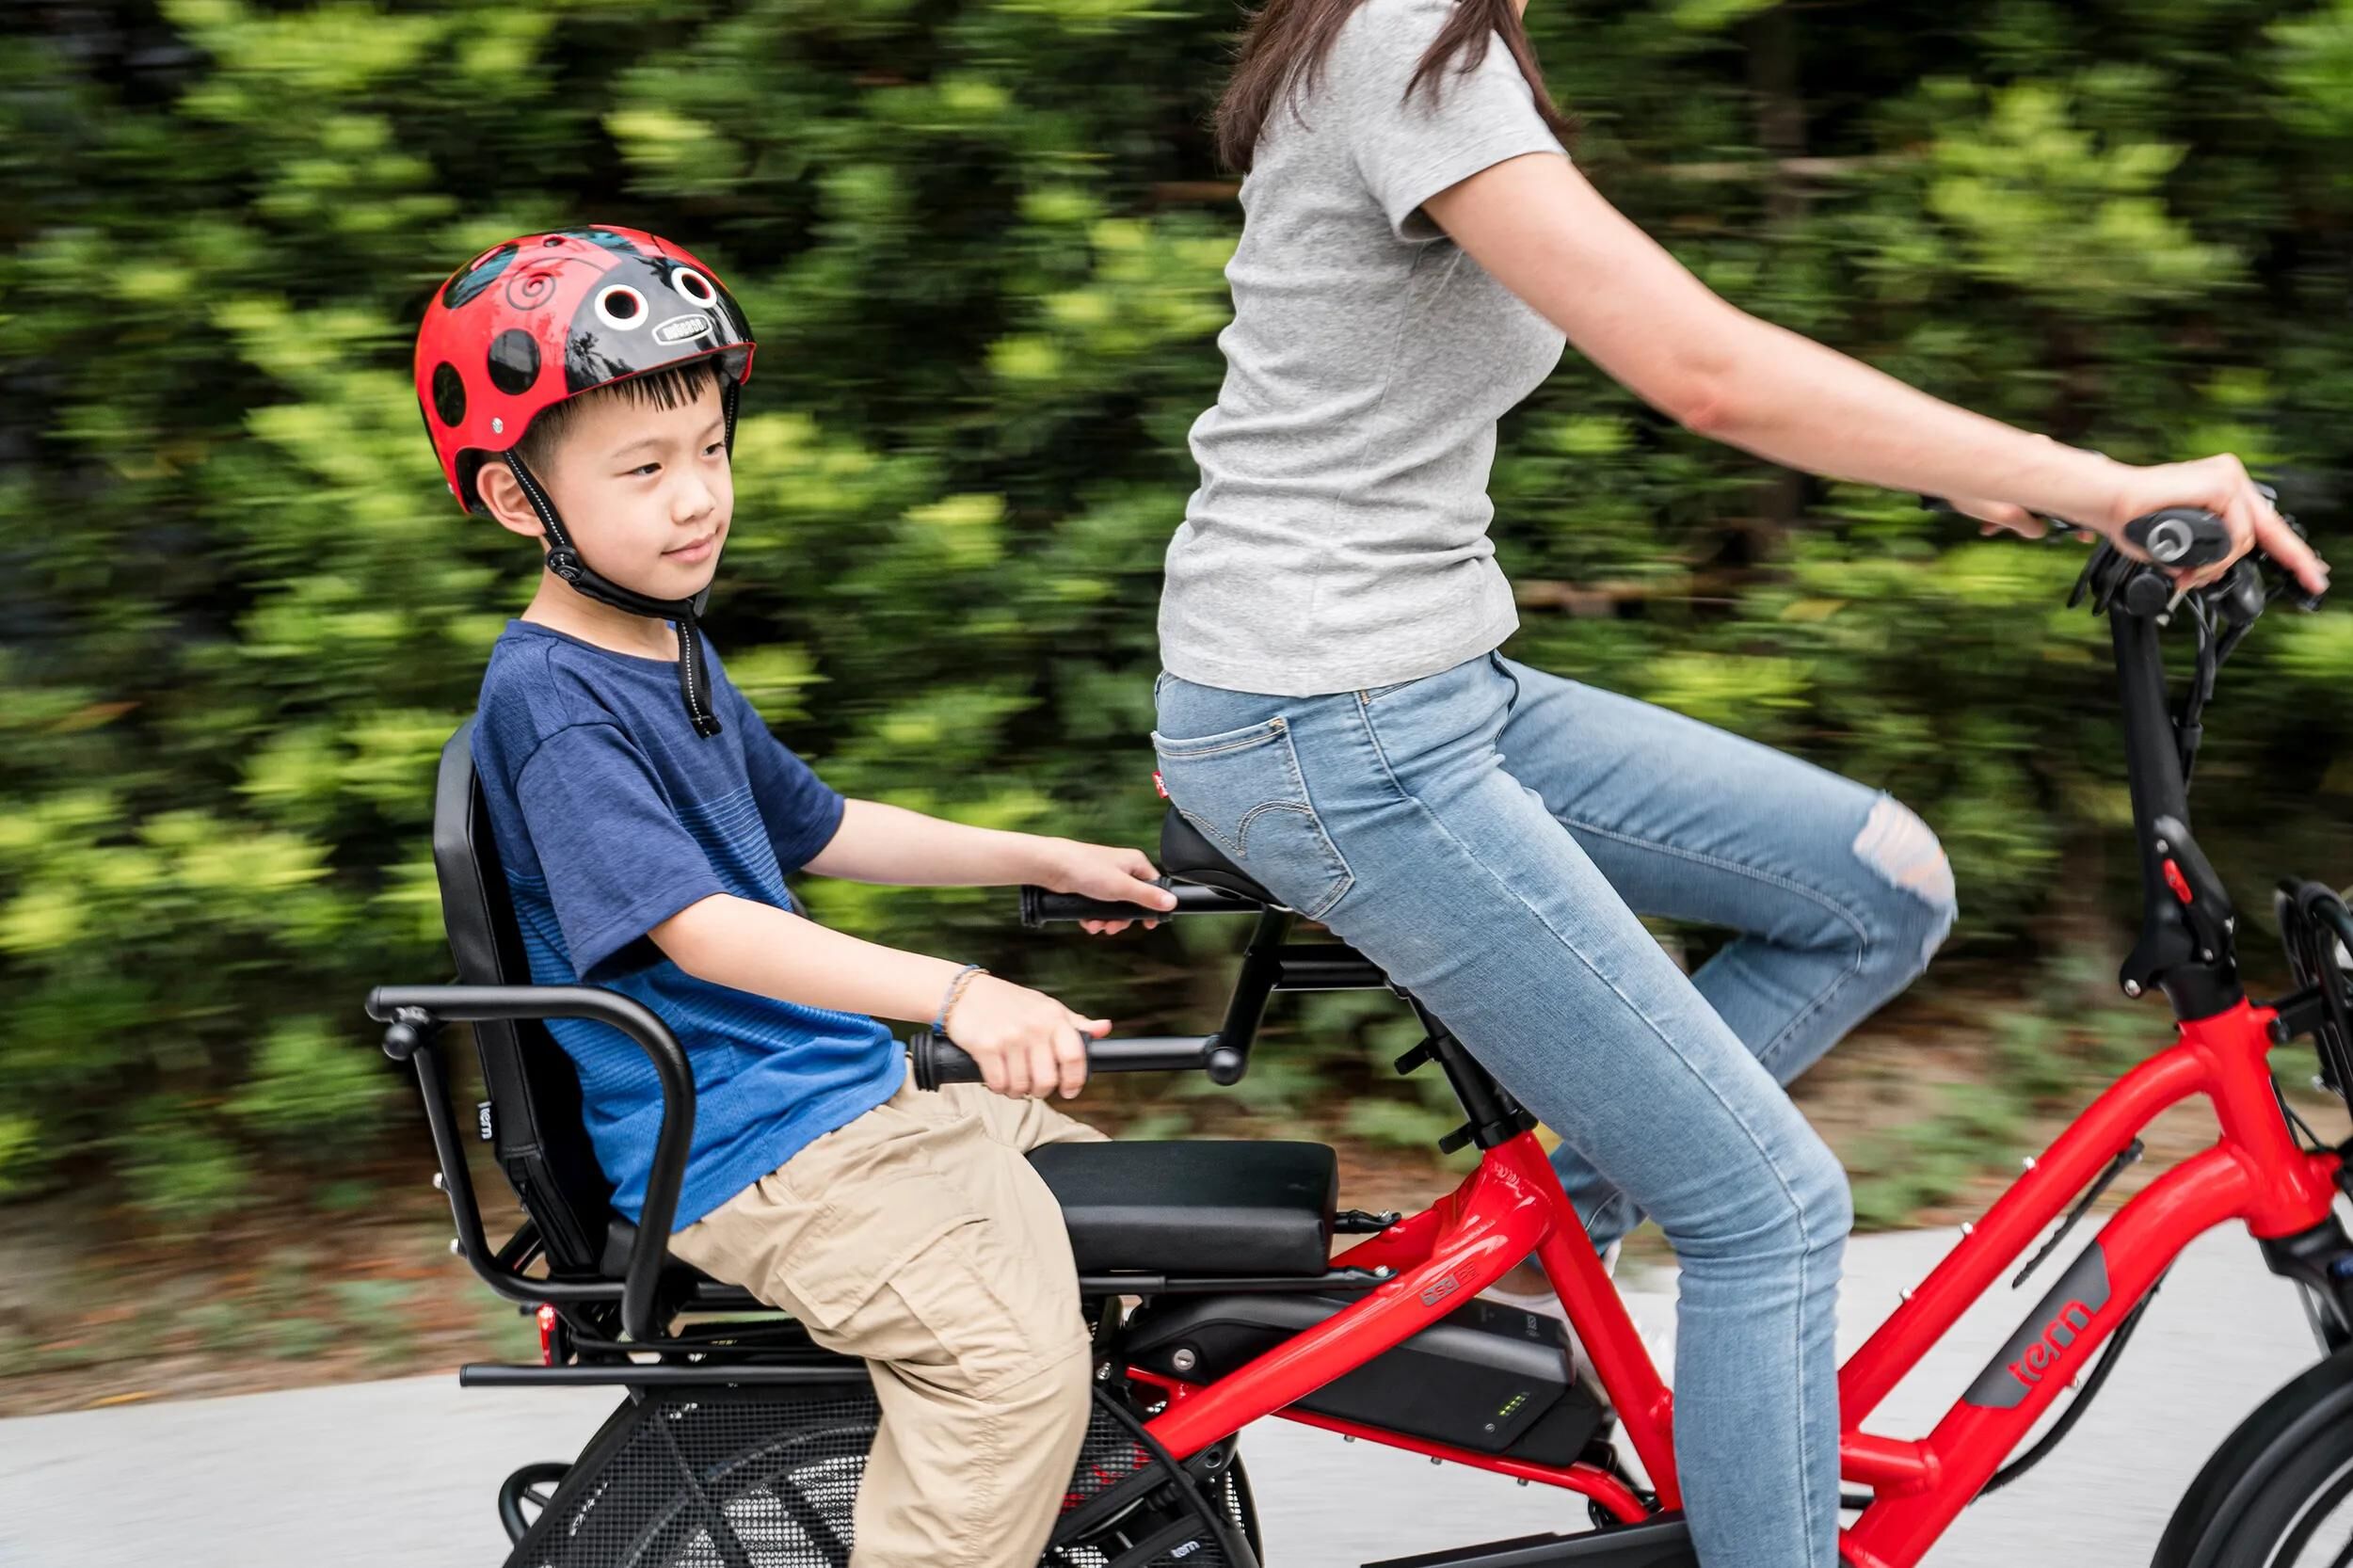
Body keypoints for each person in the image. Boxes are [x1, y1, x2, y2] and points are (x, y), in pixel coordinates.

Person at [1149, 4, 2331, 1566]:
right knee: (1768, 1210)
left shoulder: (1422, 40)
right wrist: (2100, 483)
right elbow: (1702, 369)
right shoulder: (1410, 34)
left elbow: (1675, 331)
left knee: (1878, 883)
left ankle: (1556, 1230)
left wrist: (1986, 466)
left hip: (1425, 682)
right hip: (1335, 716)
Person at [413, 224, 1178, 1568]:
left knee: (1153, 1242)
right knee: (1005, 1365)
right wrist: (957, 993)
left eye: (710, 450)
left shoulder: (664, 646)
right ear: (519, 501)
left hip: (834, 1099)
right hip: (751, 1147)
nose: (697, 497)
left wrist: (1040, 855)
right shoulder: (555, 702)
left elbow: (818, 826)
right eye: (644, 468)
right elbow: (700, 929)